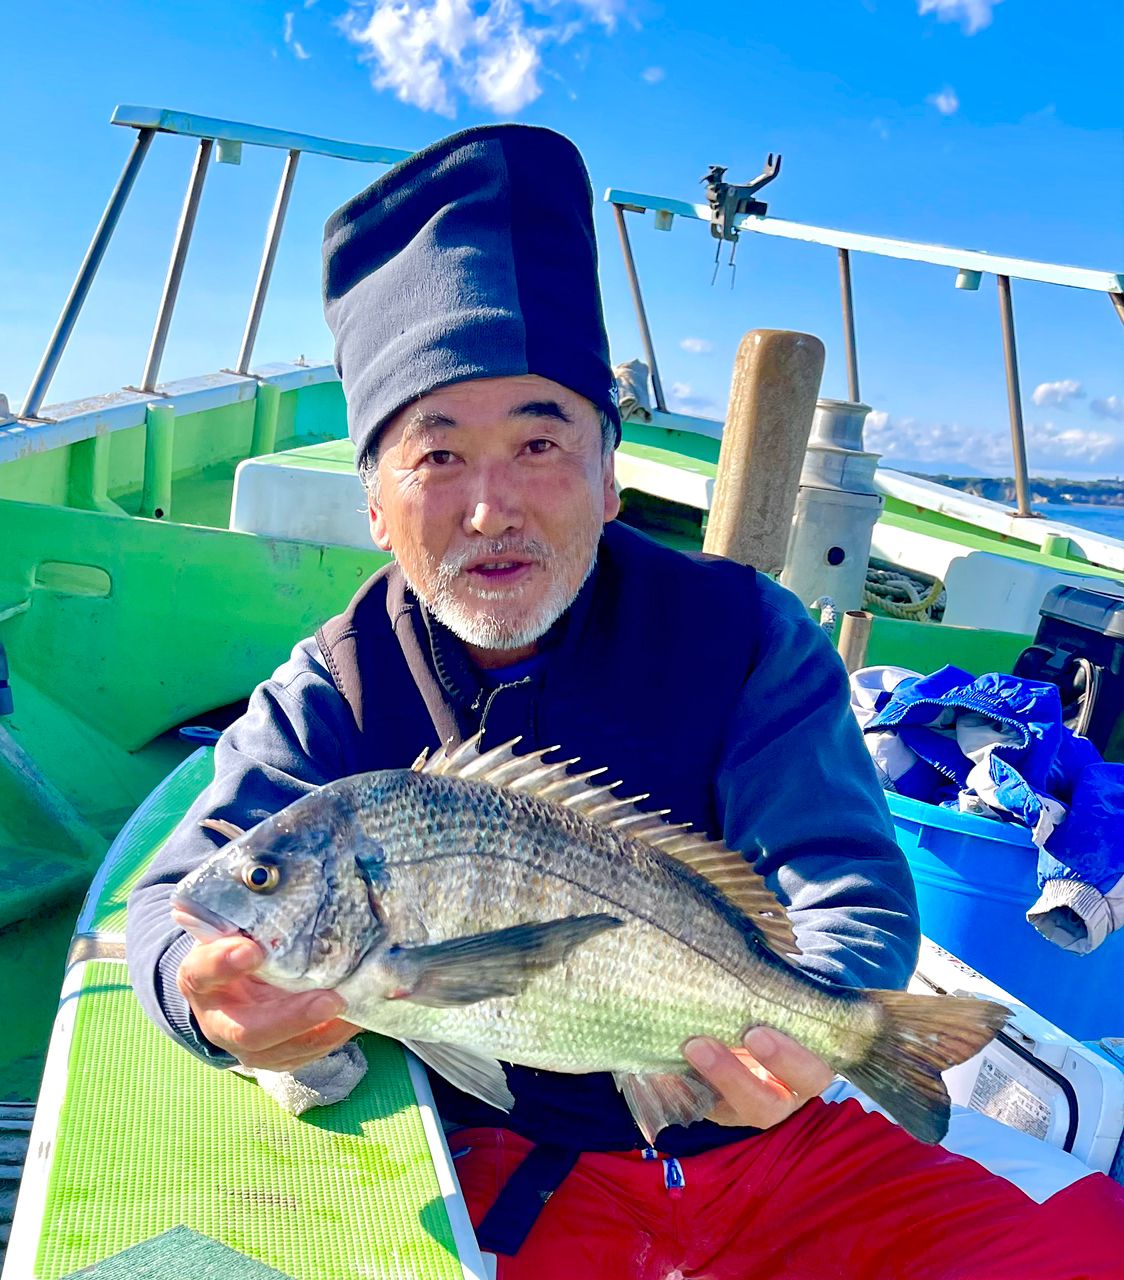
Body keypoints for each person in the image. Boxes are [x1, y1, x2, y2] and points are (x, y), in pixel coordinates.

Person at [127, 124, 1124, 1278]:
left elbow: (839, 864)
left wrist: (832, 1015)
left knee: (1080, 1245)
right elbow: (174, 895)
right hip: (517, 1155)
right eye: (435, 454)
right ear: (374, 502)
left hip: (783, 1138)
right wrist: (200, 998)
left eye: (538, 442)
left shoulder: (746, 631)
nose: (490, 505)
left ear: (609, 476)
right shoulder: (331, 683)